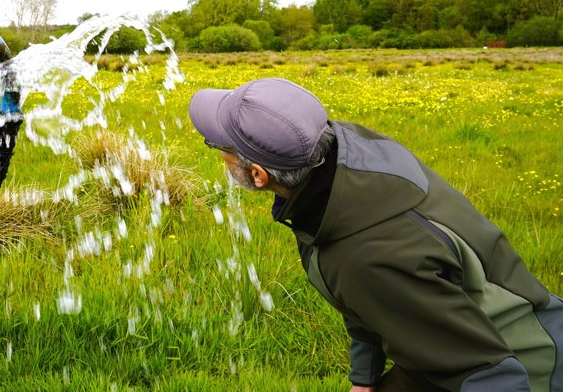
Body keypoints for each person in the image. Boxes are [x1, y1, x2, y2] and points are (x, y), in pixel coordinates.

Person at [188, 77, 562, 392]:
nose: (218, 154)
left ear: (258, 175)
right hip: (443, 343)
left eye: (218, 146)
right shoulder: (341, 165)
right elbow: (364, 298)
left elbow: (494, 375)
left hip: (526, 367)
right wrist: (364, 379)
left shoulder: (364, 254)